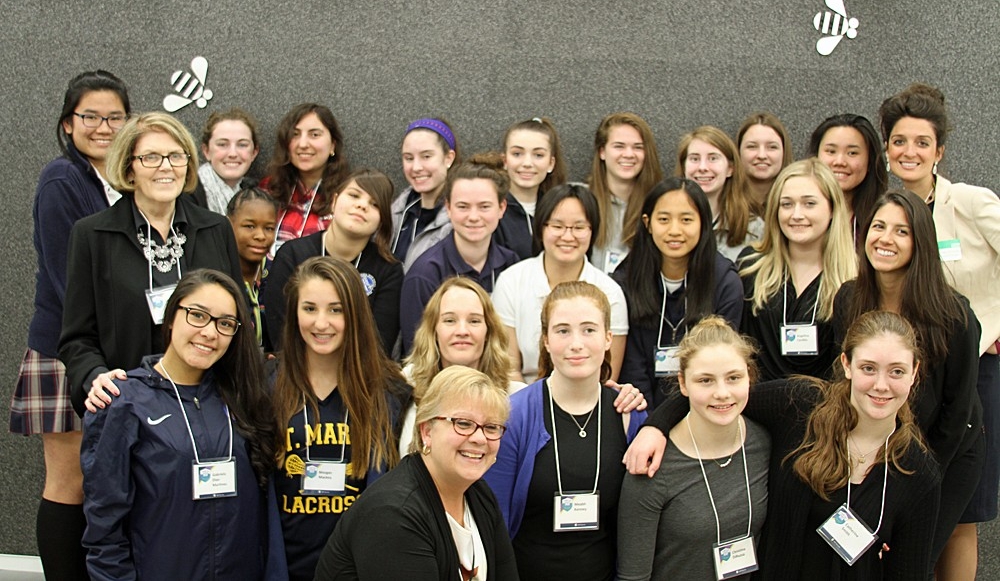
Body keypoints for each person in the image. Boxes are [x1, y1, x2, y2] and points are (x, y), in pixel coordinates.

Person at [626, 310, 941, 579]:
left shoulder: (918, 472)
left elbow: (911, 571)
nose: (881, 385)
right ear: (846, 364)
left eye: (897, 371)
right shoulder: (800, 405)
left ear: (914, 372)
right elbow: (722, 395)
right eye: (868, 368)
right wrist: (656, 425)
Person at [8, 70, 129, 581]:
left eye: (114, 117)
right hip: (67, 352)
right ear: (68, 124)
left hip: (108, 352)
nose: (102, 127)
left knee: (102, 481)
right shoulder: (63, 179)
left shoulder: (122, 181)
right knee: (69, 480)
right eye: (90, 117)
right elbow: (66, 280)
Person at [81, 270, 278, 580]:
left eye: (225, 323)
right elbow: (105, 529)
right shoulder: (125, 402)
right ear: (172, 317)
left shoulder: (245, 397)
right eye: (197, 315)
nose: (210, 332)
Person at [879, 82, 1000, 580]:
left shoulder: (969, 202)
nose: (910, 152)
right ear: (886, 149)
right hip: (901, 379)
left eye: (922, 143)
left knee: (960, 509)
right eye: (900, 141)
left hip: (973, 373)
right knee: (908, 499)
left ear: (940, 151)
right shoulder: (880, 212)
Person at [833, 189, 983, 574]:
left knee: (909, 559)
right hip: (871, 445)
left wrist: (917, 477)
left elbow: (958, 410)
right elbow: (840, 382)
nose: (885, 238)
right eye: (878, 226)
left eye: (901, 231)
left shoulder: (954, 315)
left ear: (921, 242)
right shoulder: (849, 299)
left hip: (941, 450)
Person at [61, 112, 243, 417]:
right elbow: (77, 338)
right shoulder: (92, 235)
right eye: (151, 157)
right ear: (129, 169)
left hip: (210, 401)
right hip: (128, 403)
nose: (166, 167)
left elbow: (239, 320)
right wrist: (95, 376)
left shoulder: (216, 229)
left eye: (175, 156)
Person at [484, 281, 646, 581]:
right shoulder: (515, 415)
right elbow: (494, 523)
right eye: (562, 331)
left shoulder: (628, 414)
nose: (576, 343)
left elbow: (639, 522)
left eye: (589, 329)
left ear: (609, 338)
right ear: (545, 340)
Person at [272, 256, 410, 581]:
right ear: (294, 312)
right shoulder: (266, 385)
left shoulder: (389, 390)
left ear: (356, 314)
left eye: (336, 310)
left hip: (357, 566)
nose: (322, 323)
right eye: (310, 309)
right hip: (284, 565)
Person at [398, 277, 645, 454]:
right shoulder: (403, 387)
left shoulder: (514, 399)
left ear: (489, 331)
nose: (462, 330)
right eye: (450, 320)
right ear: (432, 329)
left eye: (474, 320)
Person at [314, 366, 517, 580]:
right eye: (463, 424)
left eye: (491, 427)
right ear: (427, 431)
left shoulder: (479, 495)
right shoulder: (392, 513)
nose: (480, 438)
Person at [617, 317, 769, 581]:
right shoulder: (653, 464)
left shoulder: (763, 442)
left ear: (749, 377)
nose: (722, 393)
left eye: (733, 378)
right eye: (705, 381)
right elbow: (633, 576)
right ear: (683, 384)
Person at [614, 177, 742, 408]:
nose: (675, 231)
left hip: (706, 410)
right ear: (648, 223)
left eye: (686, 220)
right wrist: (650, 424)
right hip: (640, 410)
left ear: (703, 223)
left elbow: (720, 366)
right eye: (663, 219)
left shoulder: (725, 282)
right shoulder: (625, 279)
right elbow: (633, 370)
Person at [492, 184, 629, 383]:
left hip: (589, 400)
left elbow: (606, 376)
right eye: (557, 226)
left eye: (579, 227)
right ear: (541, 228)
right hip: (524, 399)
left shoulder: (610, 292)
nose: (567, 236)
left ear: (592, 231)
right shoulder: (511, 281)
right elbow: (509, 371)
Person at [738, 159, 857, 381]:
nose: (796, 214)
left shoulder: (854, 278)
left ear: (832, 209)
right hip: (756, 406)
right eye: (787, 204)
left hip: (824, 408)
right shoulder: (750, 268)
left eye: (809, 203)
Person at [260, 168, 401, 353]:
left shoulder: (389, 271)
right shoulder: (292, 255)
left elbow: (379, 344)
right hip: (294, 367)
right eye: (354, 195)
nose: (362, 206)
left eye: (375, 204)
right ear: (334, 202)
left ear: (382, 220)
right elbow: (280, 329)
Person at [400, 153, 519, 353]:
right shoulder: (425, 274)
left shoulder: (511, 265)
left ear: (501, 208)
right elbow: (418, 354)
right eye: (463, 207)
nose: (473, 217)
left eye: (484, 207)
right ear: (448, 208)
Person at [261, 103, 349, 263]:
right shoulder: (268, 190)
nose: (303, 144)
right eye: (295, 134)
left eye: (314, 135)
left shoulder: (347, 196)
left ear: (333, 145)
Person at [587, 112, 664, 274]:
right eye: (619, 146)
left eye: (638, 147)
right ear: (602, 152)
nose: (629, 154)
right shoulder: (582, 201)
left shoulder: (660, 206)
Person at [676, 126, 763, 261]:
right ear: (684, 167)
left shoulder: (754, 229)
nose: (703, 167)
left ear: (730, 169)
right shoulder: (665, 222)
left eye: (713, 158)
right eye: (694, 159)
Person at [807, 114, 888, 246]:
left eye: (852, 153)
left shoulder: (883, 218)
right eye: (831, 151)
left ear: (870, 161)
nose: (840, 162)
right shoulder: (797, 215)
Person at [392, 117, 461, 270]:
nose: (416, 167)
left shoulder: (461, 220)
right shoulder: (396, 212)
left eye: (426, 156)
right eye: (409, 158)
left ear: (448, 158)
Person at [494, 117, 568, 260]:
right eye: (517, 154)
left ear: (551, 163)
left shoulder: (560, 209)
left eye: (538, 155)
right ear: (505, 161)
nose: (527, 163)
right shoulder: (492, 211)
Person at [226, 187, 278, 347]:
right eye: (249, 226)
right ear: (228, 223)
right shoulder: (217, 273)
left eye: (269, 228)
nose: (260, 236)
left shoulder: (278, 272)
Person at [192, 107, 260, 213]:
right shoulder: (187, 194)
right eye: (222, 144)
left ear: (254, 153)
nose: (232, 153)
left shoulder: (259, 195)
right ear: (206, 151)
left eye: (242, 145)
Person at [736, 112, 793, 208]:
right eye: (752, 146)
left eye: (772, 147)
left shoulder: (797, 204)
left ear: (784, 152)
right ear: (738, 151)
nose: (762, 155)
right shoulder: (722, 204)